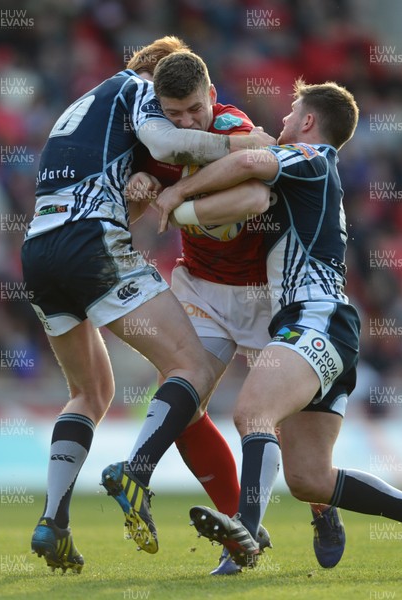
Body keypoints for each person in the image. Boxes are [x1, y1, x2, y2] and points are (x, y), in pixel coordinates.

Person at [156, 79, 402, 576]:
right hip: (326, 328)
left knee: (253, 412)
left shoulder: (313, 155)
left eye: (289, 113)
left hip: (314, 318)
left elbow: (249, 163)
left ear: (307, 121)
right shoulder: (310, 174)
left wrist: (174, 193)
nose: (279, 123)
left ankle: (243, 536)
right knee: (308, 478)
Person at [22, 36, 274, 574]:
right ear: (157, 81)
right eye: (168, 102)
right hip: (89, 242)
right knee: (190, 365)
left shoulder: (81, 104)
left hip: (39, 248)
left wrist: (137, 195)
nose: (175, 114)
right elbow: (165, 143)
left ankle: (53, 521)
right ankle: (136, 471)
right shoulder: (138, 88)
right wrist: (240, 148)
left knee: (90, 392)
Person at [127, 50, 347, 574]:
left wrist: (174, 200)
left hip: (258, 295)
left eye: (192, 110)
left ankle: (322, 503)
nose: (182, 123)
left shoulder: (234, 128)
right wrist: (141, 187)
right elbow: (138, 197)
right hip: (200, 285)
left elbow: (252, 194)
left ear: (211, 96)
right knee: (183, 403)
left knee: (277, 424)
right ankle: (237, 530)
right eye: (172, 113)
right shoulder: (151, 136)